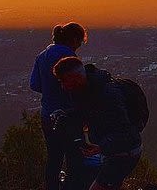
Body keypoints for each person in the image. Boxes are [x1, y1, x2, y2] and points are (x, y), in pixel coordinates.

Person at [53, 57, 142, 190]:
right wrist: (67, 116)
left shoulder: (108, 94)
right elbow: (85, 114)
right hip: (111, 151)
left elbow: (125, 132)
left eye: (64, 80)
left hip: (125, 152)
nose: (62, 86)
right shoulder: (82, 92)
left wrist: (101, 146)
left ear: (75, 77)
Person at [30, 22, 88, 190]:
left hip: (47, 115)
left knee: (54, 158)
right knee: (74, 158)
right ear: (74, 39)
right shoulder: (69, 56)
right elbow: (79, 86)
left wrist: (50, 91)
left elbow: (34, 84)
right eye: (80, 42)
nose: (79, 47)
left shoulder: (42, 55)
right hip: (68, 115)